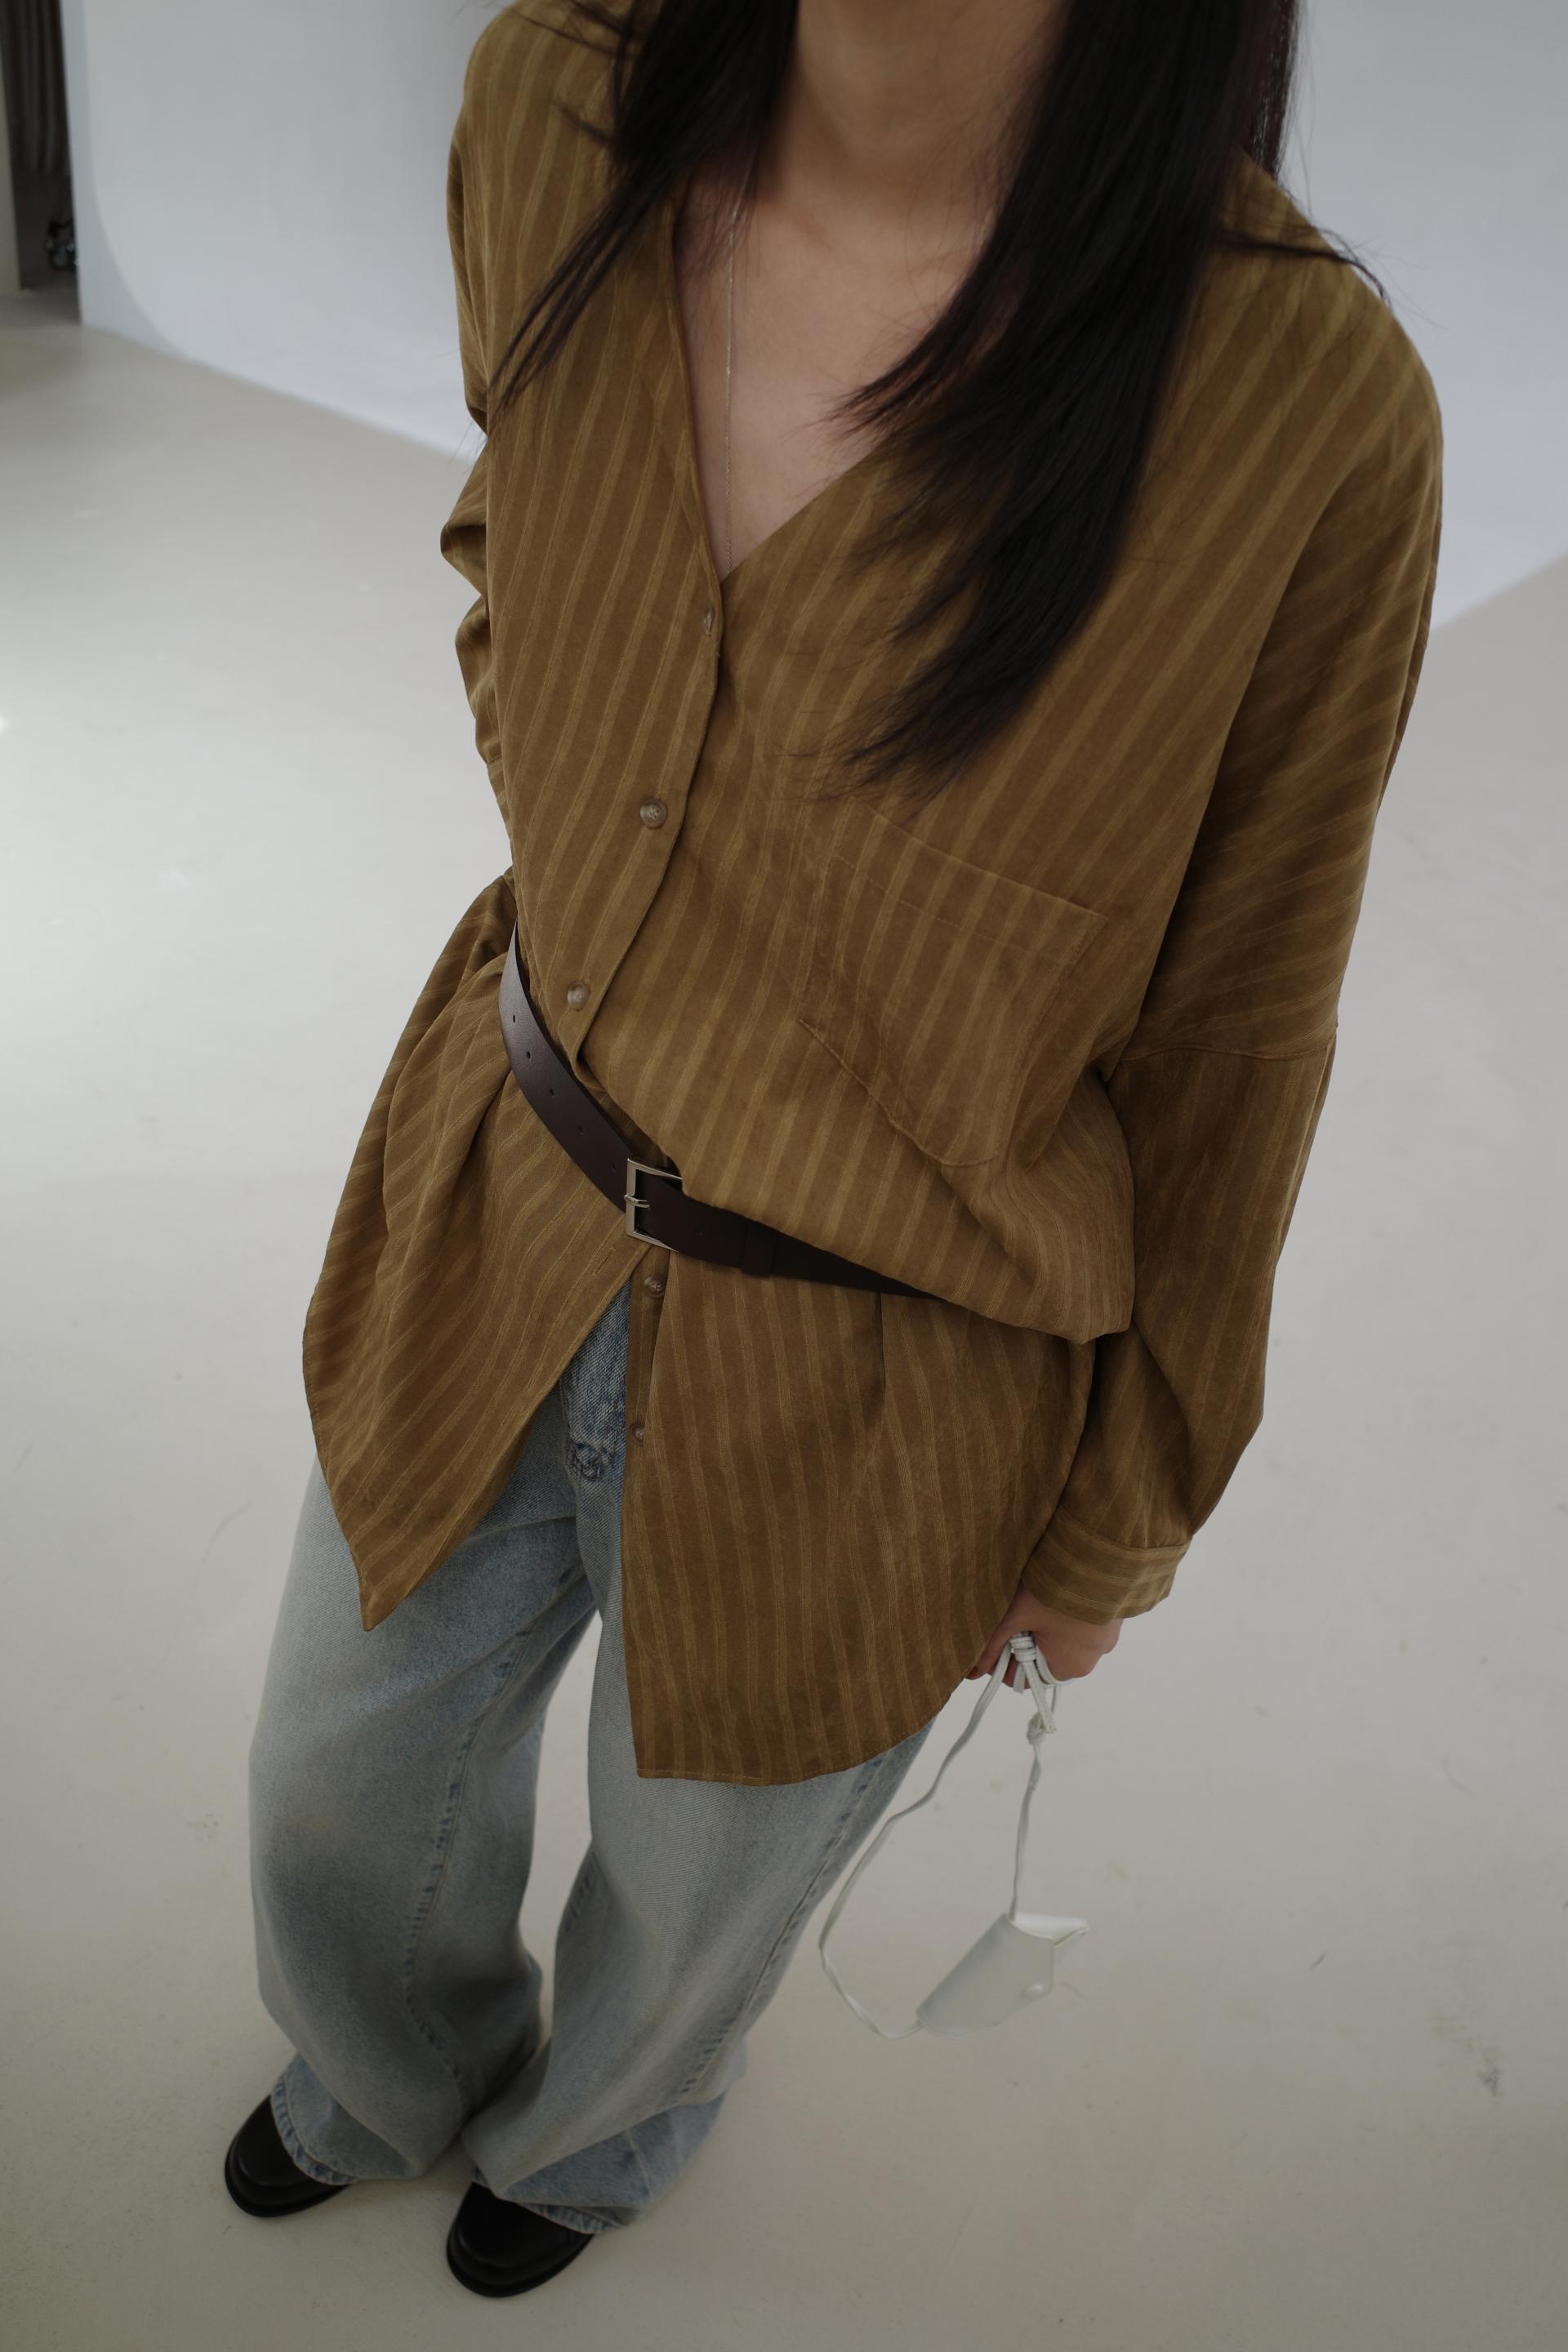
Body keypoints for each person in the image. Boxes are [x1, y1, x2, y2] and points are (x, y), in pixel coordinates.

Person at [225, 0, 1444, 2299]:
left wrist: (1118, 1515)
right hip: (510, 1181)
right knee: (338, 1769)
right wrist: (616, 857)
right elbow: (510, 537)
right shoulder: (553, 111)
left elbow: (1241, 1030)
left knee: (705, 1887)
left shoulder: (1303, 413)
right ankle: (378, 2071)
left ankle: (594, 2141)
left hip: (884, 1370)